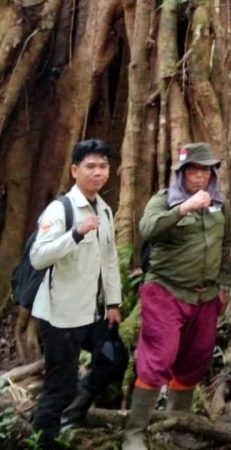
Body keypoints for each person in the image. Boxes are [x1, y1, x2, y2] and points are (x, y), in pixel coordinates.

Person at [122, 143, 231, 450]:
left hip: (206, 295)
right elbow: (147, 228)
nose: (200, 176)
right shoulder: (164, 200)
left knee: (195, 358)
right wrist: (183, 208)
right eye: (193, 170)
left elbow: (227, 245)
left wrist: (223, 285)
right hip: (166, 290)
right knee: (159, 357)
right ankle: (135, 433)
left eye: (205, 170)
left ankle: (176, 427)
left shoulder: (220, 204)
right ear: (181, 174)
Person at [30, 140, 127, 449]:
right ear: (74, 170)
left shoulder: (105, 210)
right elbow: (38, 256)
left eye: (103, 167)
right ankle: (43, 438)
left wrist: (113, 302)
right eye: (90, 166)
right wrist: (75, 233)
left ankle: (72, 415)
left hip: (92, 313)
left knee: (115, 358)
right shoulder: (61, 209)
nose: (98, 173)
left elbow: (110, 259)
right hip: (60, 317)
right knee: (59, 385)